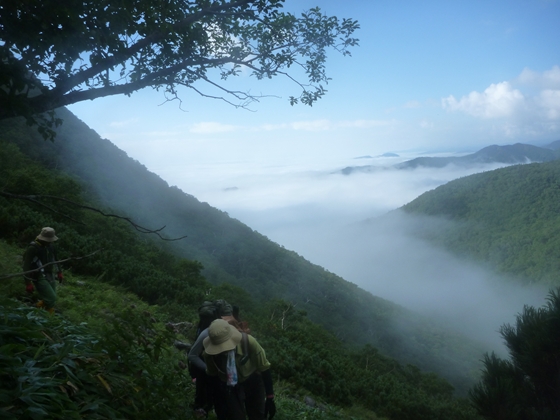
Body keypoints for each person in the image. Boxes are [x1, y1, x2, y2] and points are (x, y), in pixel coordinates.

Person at [203, 319, 276, 420]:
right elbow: (212, 377)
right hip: (230, 387)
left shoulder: (248, 342)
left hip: (253, 381)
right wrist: (213, 401)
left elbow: (264, 368)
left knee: (257, 415)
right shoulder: (210, 355)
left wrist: (270, 397)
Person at [22, 227, 63, 313]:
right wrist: (28, 283)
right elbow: (26, 266)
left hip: (49, 273)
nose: (50, 241)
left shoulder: (51, 247)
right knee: (51, 298)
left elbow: (55, 259)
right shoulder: (33, 248)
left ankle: (45, 312)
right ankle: (36, 308)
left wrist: (59, 272)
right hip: (38, 275)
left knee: (52, 298)